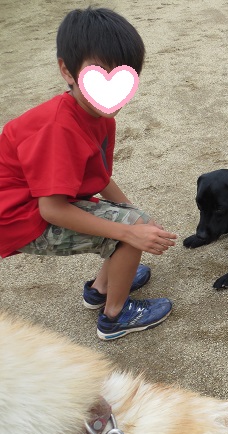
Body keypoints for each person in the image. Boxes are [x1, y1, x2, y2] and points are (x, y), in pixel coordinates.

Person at [0, 7, 177, 340]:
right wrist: (131, 230)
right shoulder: (58, 128)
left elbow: (100, 176)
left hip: (35, 203)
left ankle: (100, 290)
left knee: (134, 221)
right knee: (128, 231)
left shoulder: (98, 116)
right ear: (67, 70)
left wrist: (137, 216)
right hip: (19, 218)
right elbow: (51, 210)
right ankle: (114, 317)